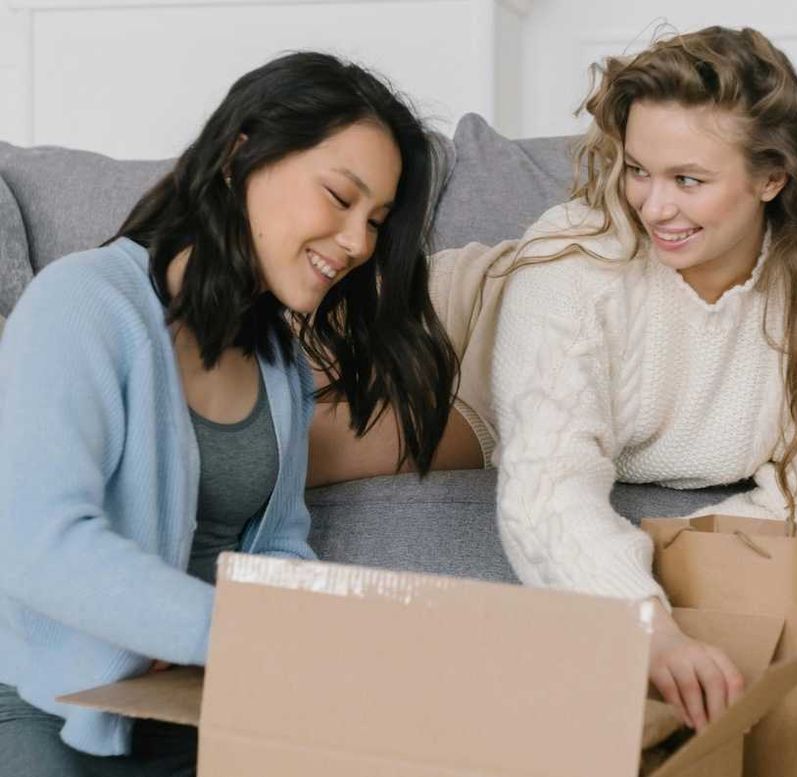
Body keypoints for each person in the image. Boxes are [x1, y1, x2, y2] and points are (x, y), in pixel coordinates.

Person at [307, 26, 797, 733]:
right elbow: (546, 489)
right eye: (638, 170)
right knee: (254, 432)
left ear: (771, 178)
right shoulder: (577, 254)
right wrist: (647, 623)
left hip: (488, 410)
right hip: (439, 334)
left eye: (688, 180)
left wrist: (634, 563)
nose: (654, 207)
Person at [0, 51, 456, 774]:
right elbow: (36, 541)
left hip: (192, 699)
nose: (359, 243)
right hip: (50, 702)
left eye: (376, 221)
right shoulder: (82, 302)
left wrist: (332, 639)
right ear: (241, 157)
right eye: (340, 197)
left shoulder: (278, 364)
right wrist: (228, 635)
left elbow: (276, 546)